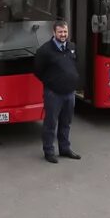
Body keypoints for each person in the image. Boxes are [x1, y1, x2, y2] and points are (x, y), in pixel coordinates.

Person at [33, 20, 81, 163]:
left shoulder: (72, 47)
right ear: (54, 33)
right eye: (60, 32)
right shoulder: (45, 51)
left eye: (65, 32)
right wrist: (51, 82)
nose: (63, 34)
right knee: (50, 124)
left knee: (66, 123)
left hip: (69, 93)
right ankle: (49, 151)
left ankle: (65, 149)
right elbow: (37, 71)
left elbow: (74, 64)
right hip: (53, 94)